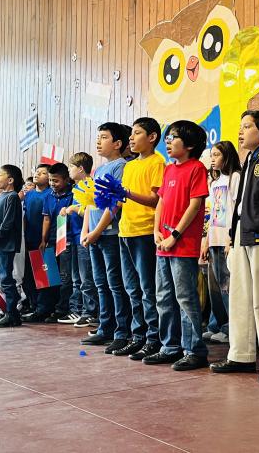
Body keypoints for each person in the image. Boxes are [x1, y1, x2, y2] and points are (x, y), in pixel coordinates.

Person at [210, 110, 259, 384]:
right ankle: (241, 355)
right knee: (240, 299)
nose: (241, 132)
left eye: (247, 126)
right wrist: (232, 238)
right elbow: (239, 205)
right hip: (243, 236)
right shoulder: (250, 159)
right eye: (240, 126)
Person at [149, 120, 210, 371]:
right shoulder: (169, 170)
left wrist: (174, 234)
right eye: (167, 137)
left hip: (182, 244)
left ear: (190, 145)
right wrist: (156, 230)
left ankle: (194, 350)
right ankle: (169, 347)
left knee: (185, 297)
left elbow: (195, 205)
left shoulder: (197, 168)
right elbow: (161, 202)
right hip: (162, 243)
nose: (168, 142)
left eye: (173, 137)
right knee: (163, 296)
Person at [108, 117, 165, 362]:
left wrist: (127, 193)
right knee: (132, 288)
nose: (131, 138)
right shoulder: (130, 166)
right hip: (125, 231)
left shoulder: (157, 162)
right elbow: (123, 200)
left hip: (144, 231)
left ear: (152, 137)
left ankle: (153, 338)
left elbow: (155, 199)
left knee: (147, 289)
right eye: (131, 133)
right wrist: (106, 197)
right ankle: (137, 336)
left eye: (137, 133)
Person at [81, 123, 132, 354]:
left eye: (104, 137)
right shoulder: (99, 169)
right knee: (100, 283)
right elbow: (89, 203)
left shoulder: (120, 166)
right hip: (94, 235)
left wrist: (97, 231)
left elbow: (115, 204)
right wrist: (86, 231)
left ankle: (121, 331)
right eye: (98, 137)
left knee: (115, 284)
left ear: (118, 143)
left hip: (109, 234)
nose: (98, 141)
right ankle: (105, 326)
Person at [200, 140, 241, 344]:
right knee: (214, 288)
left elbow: (236, 211)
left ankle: (230, 329)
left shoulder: (235, 177)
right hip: (214, 238)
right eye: (212, 155)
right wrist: (206, 241)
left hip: (227, 239)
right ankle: (217, 324)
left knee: (227, 287)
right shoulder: (215, 182)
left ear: (227, 156)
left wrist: (231, 240)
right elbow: (213, 216)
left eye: (217, 155)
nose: (213, 159)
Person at [0, 164, 24, 327]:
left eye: (0, 175)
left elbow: (7, 224)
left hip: (5, 244)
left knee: (6, 278)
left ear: (10, 180)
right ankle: (3, 310)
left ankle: (12, 314)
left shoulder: (12, 197)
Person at [60, 152, 95, 326]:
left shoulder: (90, 185)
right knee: (76, 278)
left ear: (81, 169)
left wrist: (75, 209)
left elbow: (91, 211)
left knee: (86, 277)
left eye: (71, 167)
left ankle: (89, 312)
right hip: (73, 237)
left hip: (84, 237)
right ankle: (77, 310)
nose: (69, 170)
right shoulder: (77, 187)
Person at [40, 162, 76, 323]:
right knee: (50, 276)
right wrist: (43, 239)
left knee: (65, 276)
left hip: (67, 240)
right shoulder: (48, 196)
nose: (52, 184)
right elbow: (46, 219)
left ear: (66, 180)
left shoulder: (73, 194)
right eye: (50, 180)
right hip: (52, 241)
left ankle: (63, 309)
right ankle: (51, 307)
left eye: (56, 181)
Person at [20, 164, 53, 320]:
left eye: (42, 173)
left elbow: (48, 218)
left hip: (43, 241)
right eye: (37, 172)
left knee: (44, 277)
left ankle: (43, 309)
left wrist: (44, 239)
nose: (37, 174)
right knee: (28, 277)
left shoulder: (50, 194)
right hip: (28, 239)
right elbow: (25, 217)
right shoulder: (29, 194)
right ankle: (33, 306)